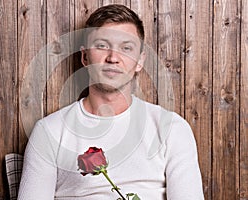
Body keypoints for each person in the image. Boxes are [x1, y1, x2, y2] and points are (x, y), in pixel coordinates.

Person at [18, 4, 205, 200]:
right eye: (101, 45)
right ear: (85, 57)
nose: (113, 58)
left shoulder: (172, 128)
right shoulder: (49, 131)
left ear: (140, 61)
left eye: (126, 48)